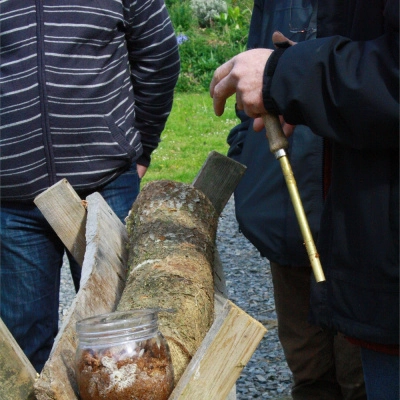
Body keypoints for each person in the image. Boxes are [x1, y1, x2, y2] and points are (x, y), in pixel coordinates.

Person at [210, 1, 399, 399]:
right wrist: (246, 151)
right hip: (286, 214)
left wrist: (288, 75)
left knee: (359, 378)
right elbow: (256, 74)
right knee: (310, 374)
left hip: (361, 223)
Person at [0, 0, 180, 373]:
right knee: (23, 348)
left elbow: (159, 55)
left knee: (126, 343)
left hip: (106, 187)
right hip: (11, 199)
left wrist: (141, 144)